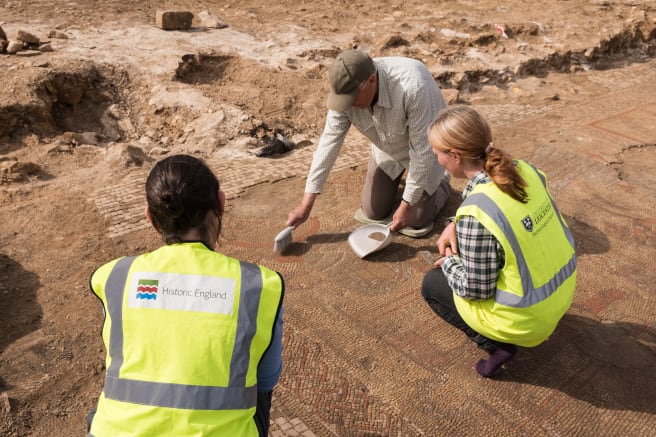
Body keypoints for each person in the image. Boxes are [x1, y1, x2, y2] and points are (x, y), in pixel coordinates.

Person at [87, 155, 284, 436]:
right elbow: (266, 379)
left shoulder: (115, 276)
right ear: (221, 203)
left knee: (102, 408)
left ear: (150, 215)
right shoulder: (259, 285)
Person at [421, 106, 576, 377]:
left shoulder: (476, 213)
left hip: (527, 321)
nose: (437, 160)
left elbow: (475, 289)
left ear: (455, 156)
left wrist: (449, 263)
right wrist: (455, 223)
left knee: (433, 284)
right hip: (563, 293)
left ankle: (497, 345)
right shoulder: (525, 170)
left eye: (438, 154)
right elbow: (506, 210)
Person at [286, 49, 451, 238]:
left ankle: (442, 180)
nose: (347, 104)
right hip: (388, 149)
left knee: (415, 221)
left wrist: (406, 204)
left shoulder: (414, 86)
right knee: (373, 212)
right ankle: (409, 188)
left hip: (429, 150)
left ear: (372, 81)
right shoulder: (344, 92)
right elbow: (328, 144)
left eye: (351, 98)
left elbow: (422, 153)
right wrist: (306, 204)